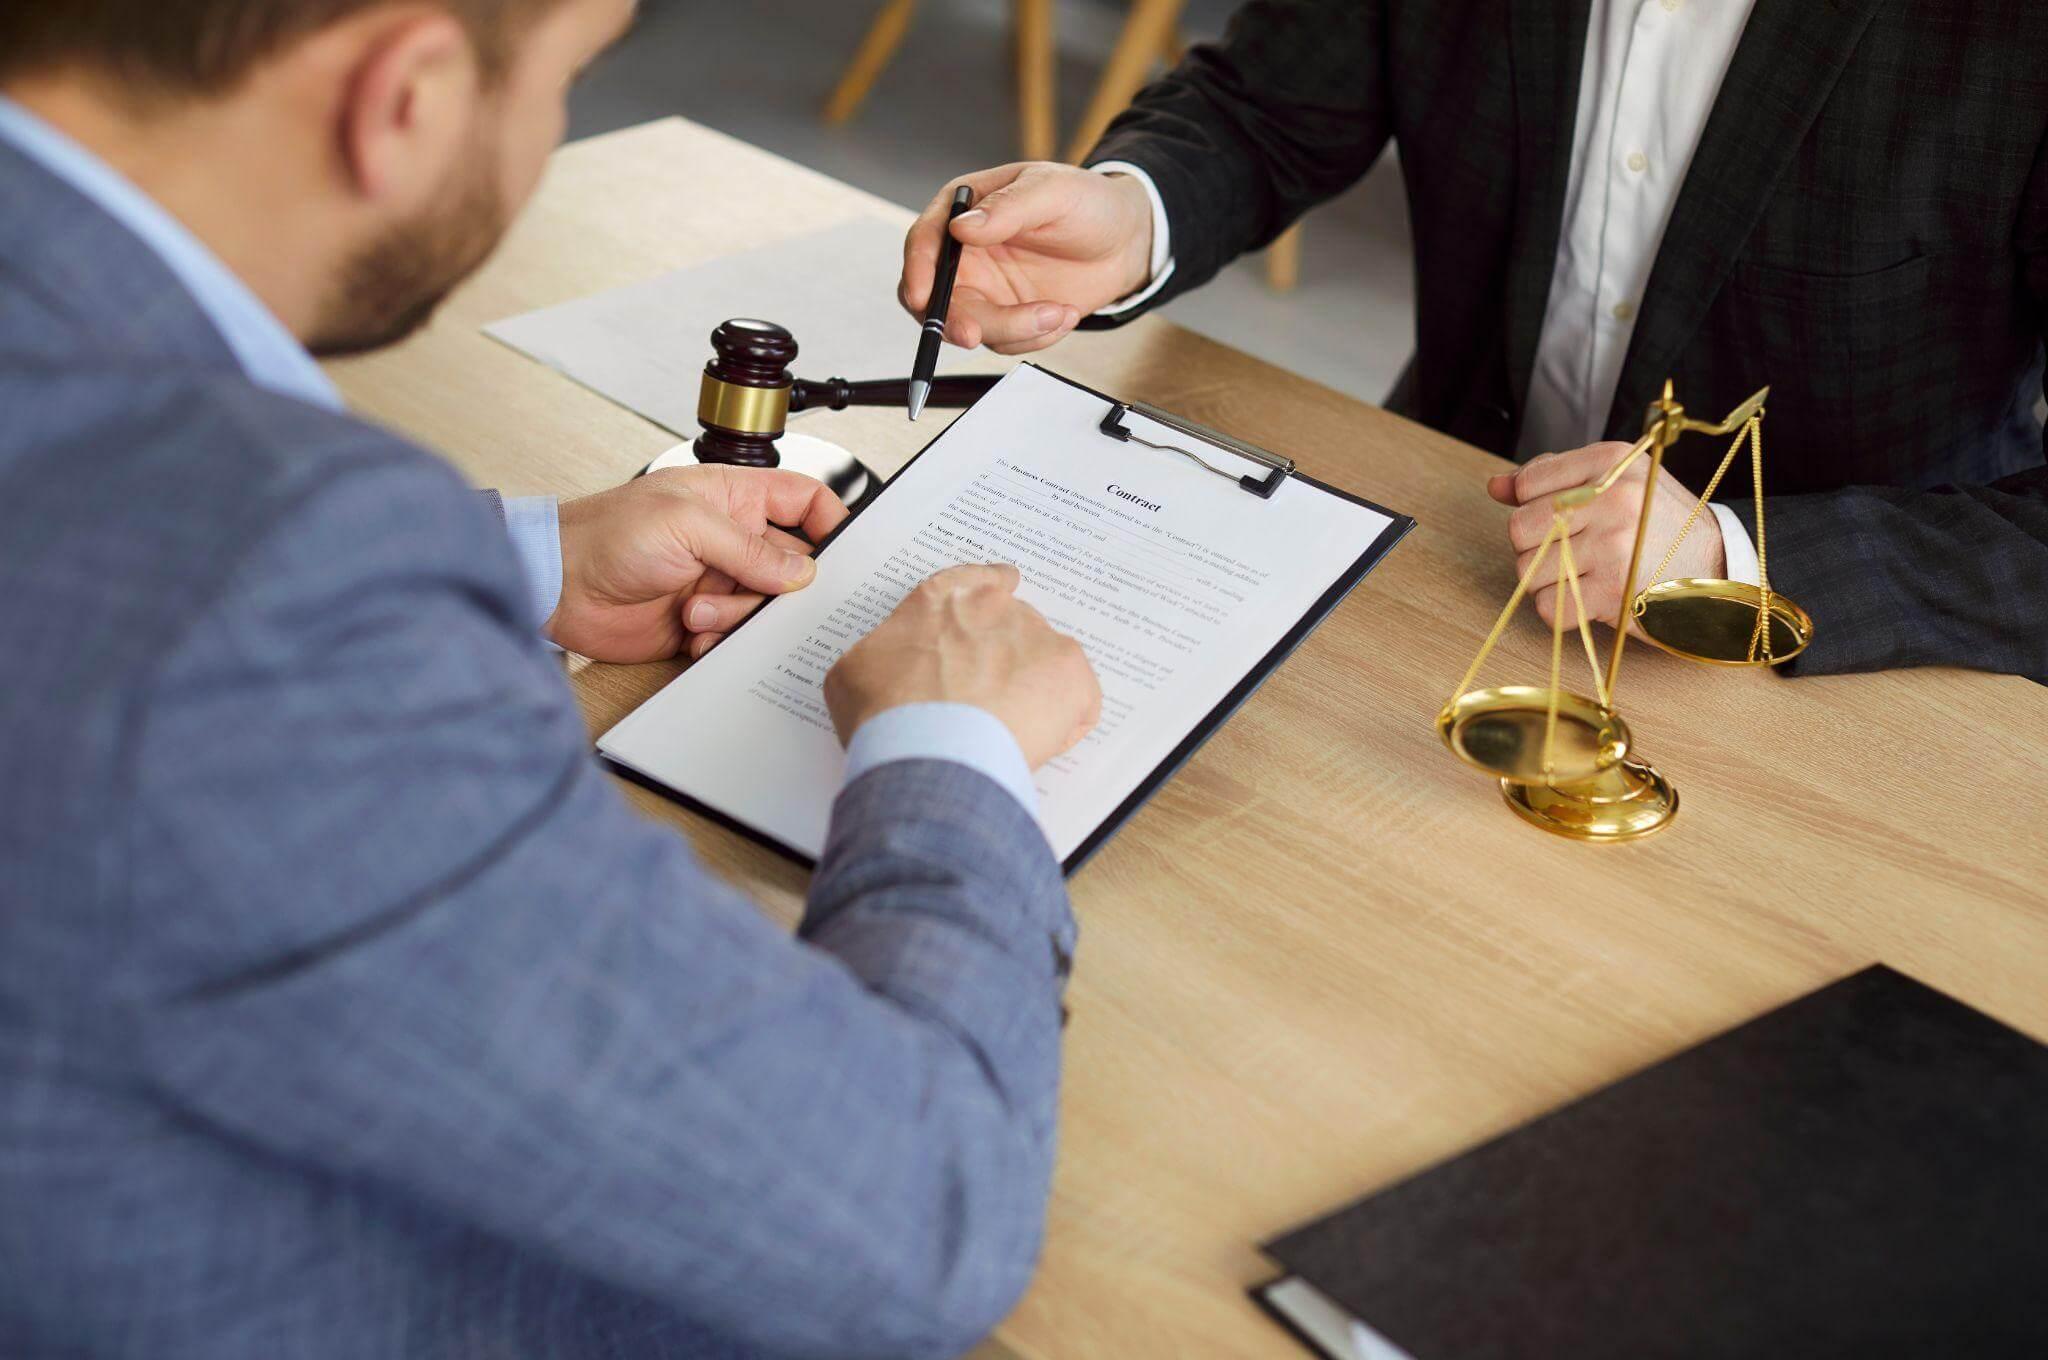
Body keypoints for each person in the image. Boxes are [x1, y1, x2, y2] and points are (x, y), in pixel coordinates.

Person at [0, 1, 1103, 1357]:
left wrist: (529, 556)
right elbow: (915, 1214)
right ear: (403, 94)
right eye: (565, 81)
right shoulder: (266, 597)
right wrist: (949, 747)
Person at [900, 0, 2048, 680]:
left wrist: (1729, 558)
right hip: (1451, 557)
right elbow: (1264, 111)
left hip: (1844, 668)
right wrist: (1131, 211)